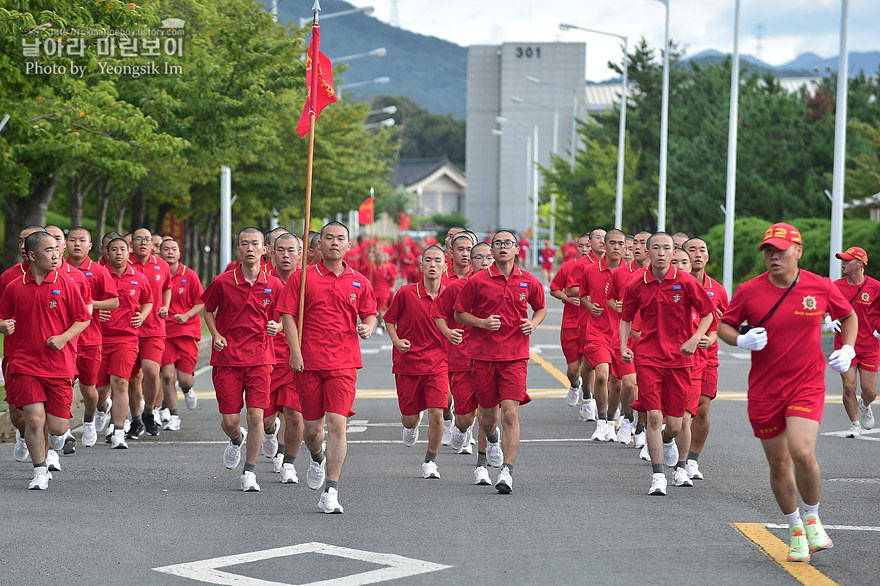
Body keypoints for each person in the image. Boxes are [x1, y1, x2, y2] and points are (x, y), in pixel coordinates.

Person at [718, 222, 855, 562]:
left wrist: (848, 349)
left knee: (802, 452)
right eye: (768, 250)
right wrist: (741, 339)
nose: (773, 256)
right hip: (765, 390)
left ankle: (812, 515)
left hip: (806, 383)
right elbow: (725, 324)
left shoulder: (819, 286)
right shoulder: (749, 290)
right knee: (778, 462)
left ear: (798, 251)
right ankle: (795, 527)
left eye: (780, 249)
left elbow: (848, 316)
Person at [278, 221, 378, 513]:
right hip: (308, 363)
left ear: (349, 246)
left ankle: (331, 491)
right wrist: (295, 353)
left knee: (337, 424)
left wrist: (368, 327)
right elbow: (287, 316)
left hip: (343, 364)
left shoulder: (359, 281)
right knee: (312, 431)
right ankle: (317, 456)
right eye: (329, 238)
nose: (334, 242)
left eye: (340, 239)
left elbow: (371, 313)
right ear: (318, 245)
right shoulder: (303, 278)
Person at [620, 232, 714, 496]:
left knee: (674, 424)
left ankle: (667, 441)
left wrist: (695, 339)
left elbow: (707, 313)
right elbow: (626, 317)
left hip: (680, 360)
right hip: (648, 358)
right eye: (656, 248)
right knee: (653, 415)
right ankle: (658, 475)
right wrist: (623, 347)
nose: (661, 252)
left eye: (667, 248)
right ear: (648, 252)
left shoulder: (685, 281)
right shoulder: (636, 283)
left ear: (673, 253)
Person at [454, 230, 546, 493]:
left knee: (510, 412)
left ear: (517, 249)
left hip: (515, 357)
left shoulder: (528, 280)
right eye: (498, 244)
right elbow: (460, 313)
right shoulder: (478, 281)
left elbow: (540, 307)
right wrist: (482, 323)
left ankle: (507, 470)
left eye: (508, 243)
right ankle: (492, 440)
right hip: (483, 356)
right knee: (488, 417)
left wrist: (533, 323)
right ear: (491, 251)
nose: (503, 247)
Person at [0, 231, 91, 489]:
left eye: (56, 248)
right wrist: (2, 326)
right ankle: (39, 470)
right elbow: (2, 317)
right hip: (25, 363)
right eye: (49, 250)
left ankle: (59, 439)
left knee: (58, 426)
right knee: (34, 419)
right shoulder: (14, 287)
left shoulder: (66, 284)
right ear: (31, 255)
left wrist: (63, 338)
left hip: (59, 364)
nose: (56, 254)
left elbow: (83, 318)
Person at [201, 228, 283, 492]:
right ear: (238, 250)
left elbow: (286, 315)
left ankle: (249, 471)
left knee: (256, 416)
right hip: (227, 359)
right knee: (229, 422)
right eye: (244, 244)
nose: (250, 248)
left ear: (264, 250)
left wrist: (278, 326)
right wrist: (215, 334)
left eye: (255, 244)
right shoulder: (223, 281)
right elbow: (208, 308)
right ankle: (236, 439)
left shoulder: (274, 284)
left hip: (260, 358)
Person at [433, 241, 499, 483]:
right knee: (465, 417)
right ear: (470, 262)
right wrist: (448, 332)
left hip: (492, 359)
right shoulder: (458, 287)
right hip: (461, 360)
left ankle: (482, 464)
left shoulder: (503, 288)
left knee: (486, 413)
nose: (485, 262)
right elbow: (438, 313)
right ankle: (460, 429)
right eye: (479, 258)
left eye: (489, 258)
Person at [384, 246, 449, 478]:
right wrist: (396, 340)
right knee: (410, 417)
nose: (433, 264)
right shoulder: (406, 293)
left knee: (437, 413)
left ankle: (430, 462)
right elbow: (389, 321)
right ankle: (411, 424)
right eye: (428, 260)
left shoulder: (451, 293)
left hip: (439, 363)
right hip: (408, 362)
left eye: (437, 260)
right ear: (421, 266)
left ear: (445, 265)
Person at [580, 230, 635, 444]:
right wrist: (589, 305)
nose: (616, 247)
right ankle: (601, 421)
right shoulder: (590, 270)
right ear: (605, 244)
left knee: (621, 385)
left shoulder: (630, 273)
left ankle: (612, 420)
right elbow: (583, 293)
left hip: (622, 336)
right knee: (602, 376)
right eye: (612, 243)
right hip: (597, 332)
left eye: (620, 243)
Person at [97, 237, 153, 449]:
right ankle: (103, 407)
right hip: (100, 338)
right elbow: (84, 300)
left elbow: (148, 299)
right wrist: (96, 310)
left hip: (127, 338)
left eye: (122, 249)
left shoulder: (138, 278)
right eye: (114, 250)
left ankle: (118, 431)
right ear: (107, 253)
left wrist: (144, 315)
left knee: (121, 382)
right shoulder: (99, 276)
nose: (119, 253)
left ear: (128, 252)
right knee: (99, 390)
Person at [66, 227, 119, 447]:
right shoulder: (57, 270)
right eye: (72, 240)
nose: (76, 244)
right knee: (64, 387)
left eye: (82, 241)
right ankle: (64, 430)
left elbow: (114, 301)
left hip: (90, 340)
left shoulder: (98, 271)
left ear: (90, 246)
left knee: (90, 390)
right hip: (65, 341)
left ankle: (89, 418)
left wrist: (90, 305)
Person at [682, 237, 729, 481]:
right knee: (679, 412)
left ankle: (692, 459)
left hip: (707, 357)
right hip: (678, 357)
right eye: (692, 250)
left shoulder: (718, 289)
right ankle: (669, 443)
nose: (698, 254)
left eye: (702, 250)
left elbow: (726, 325)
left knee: (702, 409)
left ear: (708, 257)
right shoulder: (676, 286)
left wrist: (714, 333)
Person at [826, 246, 878, 438]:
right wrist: (829, 319)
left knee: (870, 390)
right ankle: (854, 424)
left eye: (847, 260)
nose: (843, 263)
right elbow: (825, 308)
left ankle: (865, 405)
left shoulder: (875, 287)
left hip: (870, 345)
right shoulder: (836, 286)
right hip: (845, 344)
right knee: (849, 385)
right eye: (843, 260)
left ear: (860, 263)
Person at [267, 232, 305, 482]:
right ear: (271, 251)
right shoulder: (262, 281)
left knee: (294, 413)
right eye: (280, 250)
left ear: (300, 253)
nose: (286, 255)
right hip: (265, 358)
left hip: (296, 358)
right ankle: (269, 433)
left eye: (291, 250)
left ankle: (289, 462)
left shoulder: (307, 282)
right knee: (265, 418)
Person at [128, 227, 172, 438]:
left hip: (154, 328)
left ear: (153, 244)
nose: (143, 243)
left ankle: (149, 412)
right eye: (139, 239)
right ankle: (136, 420)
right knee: (133, 377)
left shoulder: (161, 265)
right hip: (127, 329)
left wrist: (165, 306)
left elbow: (167, 286)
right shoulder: (123, 263)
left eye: (147, 240)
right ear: (132, 243)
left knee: (152, 371)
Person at [159, 238, 204, 431]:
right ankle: (174, 416)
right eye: (166, 249)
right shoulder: (157, 275)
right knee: (167, 376)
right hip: (164, 332)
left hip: (186, 332)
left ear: (179, 254)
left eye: (174, 249)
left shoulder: (190, 275)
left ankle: (187, 389)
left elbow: (201, 302)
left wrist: (186, 316)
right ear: (160, 253)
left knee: (185, 379)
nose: (170, 252)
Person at [566, 229, 605, 422]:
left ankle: (603, 408)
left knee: (605, 370)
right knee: (583, 366)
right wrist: (590, 291)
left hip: (612, 324)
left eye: (605, 237)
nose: (602, 241)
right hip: (587, 321)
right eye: (597, 237)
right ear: (590, 242)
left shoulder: (618, 264)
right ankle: (585, 394)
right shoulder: (581, 265)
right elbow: (571, 289)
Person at [549, 234, 590, 407]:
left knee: (591, 367)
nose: (584, 249)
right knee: (574, 370)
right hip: (571, 324)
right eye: (581, 246)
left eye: (588, 245)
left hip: (592, 325)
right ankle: (575, 385)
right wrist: (566, 297)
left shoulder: (601, 269)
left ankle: (589, 400)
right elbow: (554, 289)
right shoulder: (568, 267)